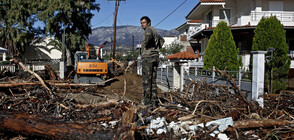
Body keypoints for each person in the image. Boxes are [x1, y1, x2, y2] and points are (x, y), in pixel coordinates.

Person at [140, 16, 164, 108]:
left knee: (146, 81)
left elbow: (148, 36)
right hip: (155, 57)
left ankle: (146, 102)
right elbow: (162, 40)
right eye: (141, 23)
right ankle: (154, 102)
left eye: (144, 23)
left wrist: (146, 44)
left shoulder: (148, 30)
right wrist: (155, 48)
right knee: (153, 81)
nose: (142, 25)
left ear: (149, 23)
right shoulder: (154, 31)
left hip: (148, 58)